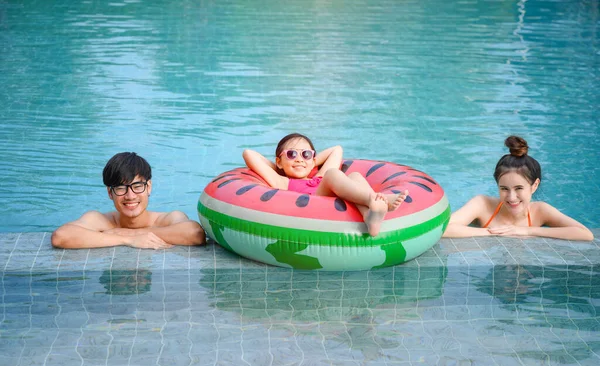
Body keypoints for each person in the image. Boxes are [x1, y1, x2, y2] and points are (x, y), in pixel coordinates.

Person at [242, 133, 408, 236]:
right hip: (316, 202)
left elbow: (337, 149)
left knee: (355, 175)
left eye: (306, 154)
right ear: (279, 161)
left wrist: (310, 162)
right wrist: (279, 167)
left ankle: (370, 216)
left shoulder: (319, 174)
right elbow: (248, 154)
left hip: (332, 188)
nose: (299, 159)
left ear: (313, 159)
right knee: (332, 174)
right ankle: (375, 198)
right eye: (291, 154)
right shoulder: (283, 181)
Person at [443, 136, 594, 241]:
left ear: (534, 186)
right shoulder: (482, 204)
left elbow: (585, 234)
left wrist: (527, 230)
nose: (511, 197)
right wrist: (493, 232)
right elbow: (443, 229)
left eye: (519, 188)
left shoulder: (540, 211)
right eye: (504, 189)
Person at [51, 152, 206, 249]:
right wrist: (127, 239)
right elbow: (61, 236)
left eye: (137, 186)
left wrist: (132, 232)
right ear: (110, 193)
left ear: (149, 187)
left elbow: (195, 234)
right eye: (120, 188)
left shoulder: (167, 218)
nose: (130, 196)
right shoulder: (100, 220)